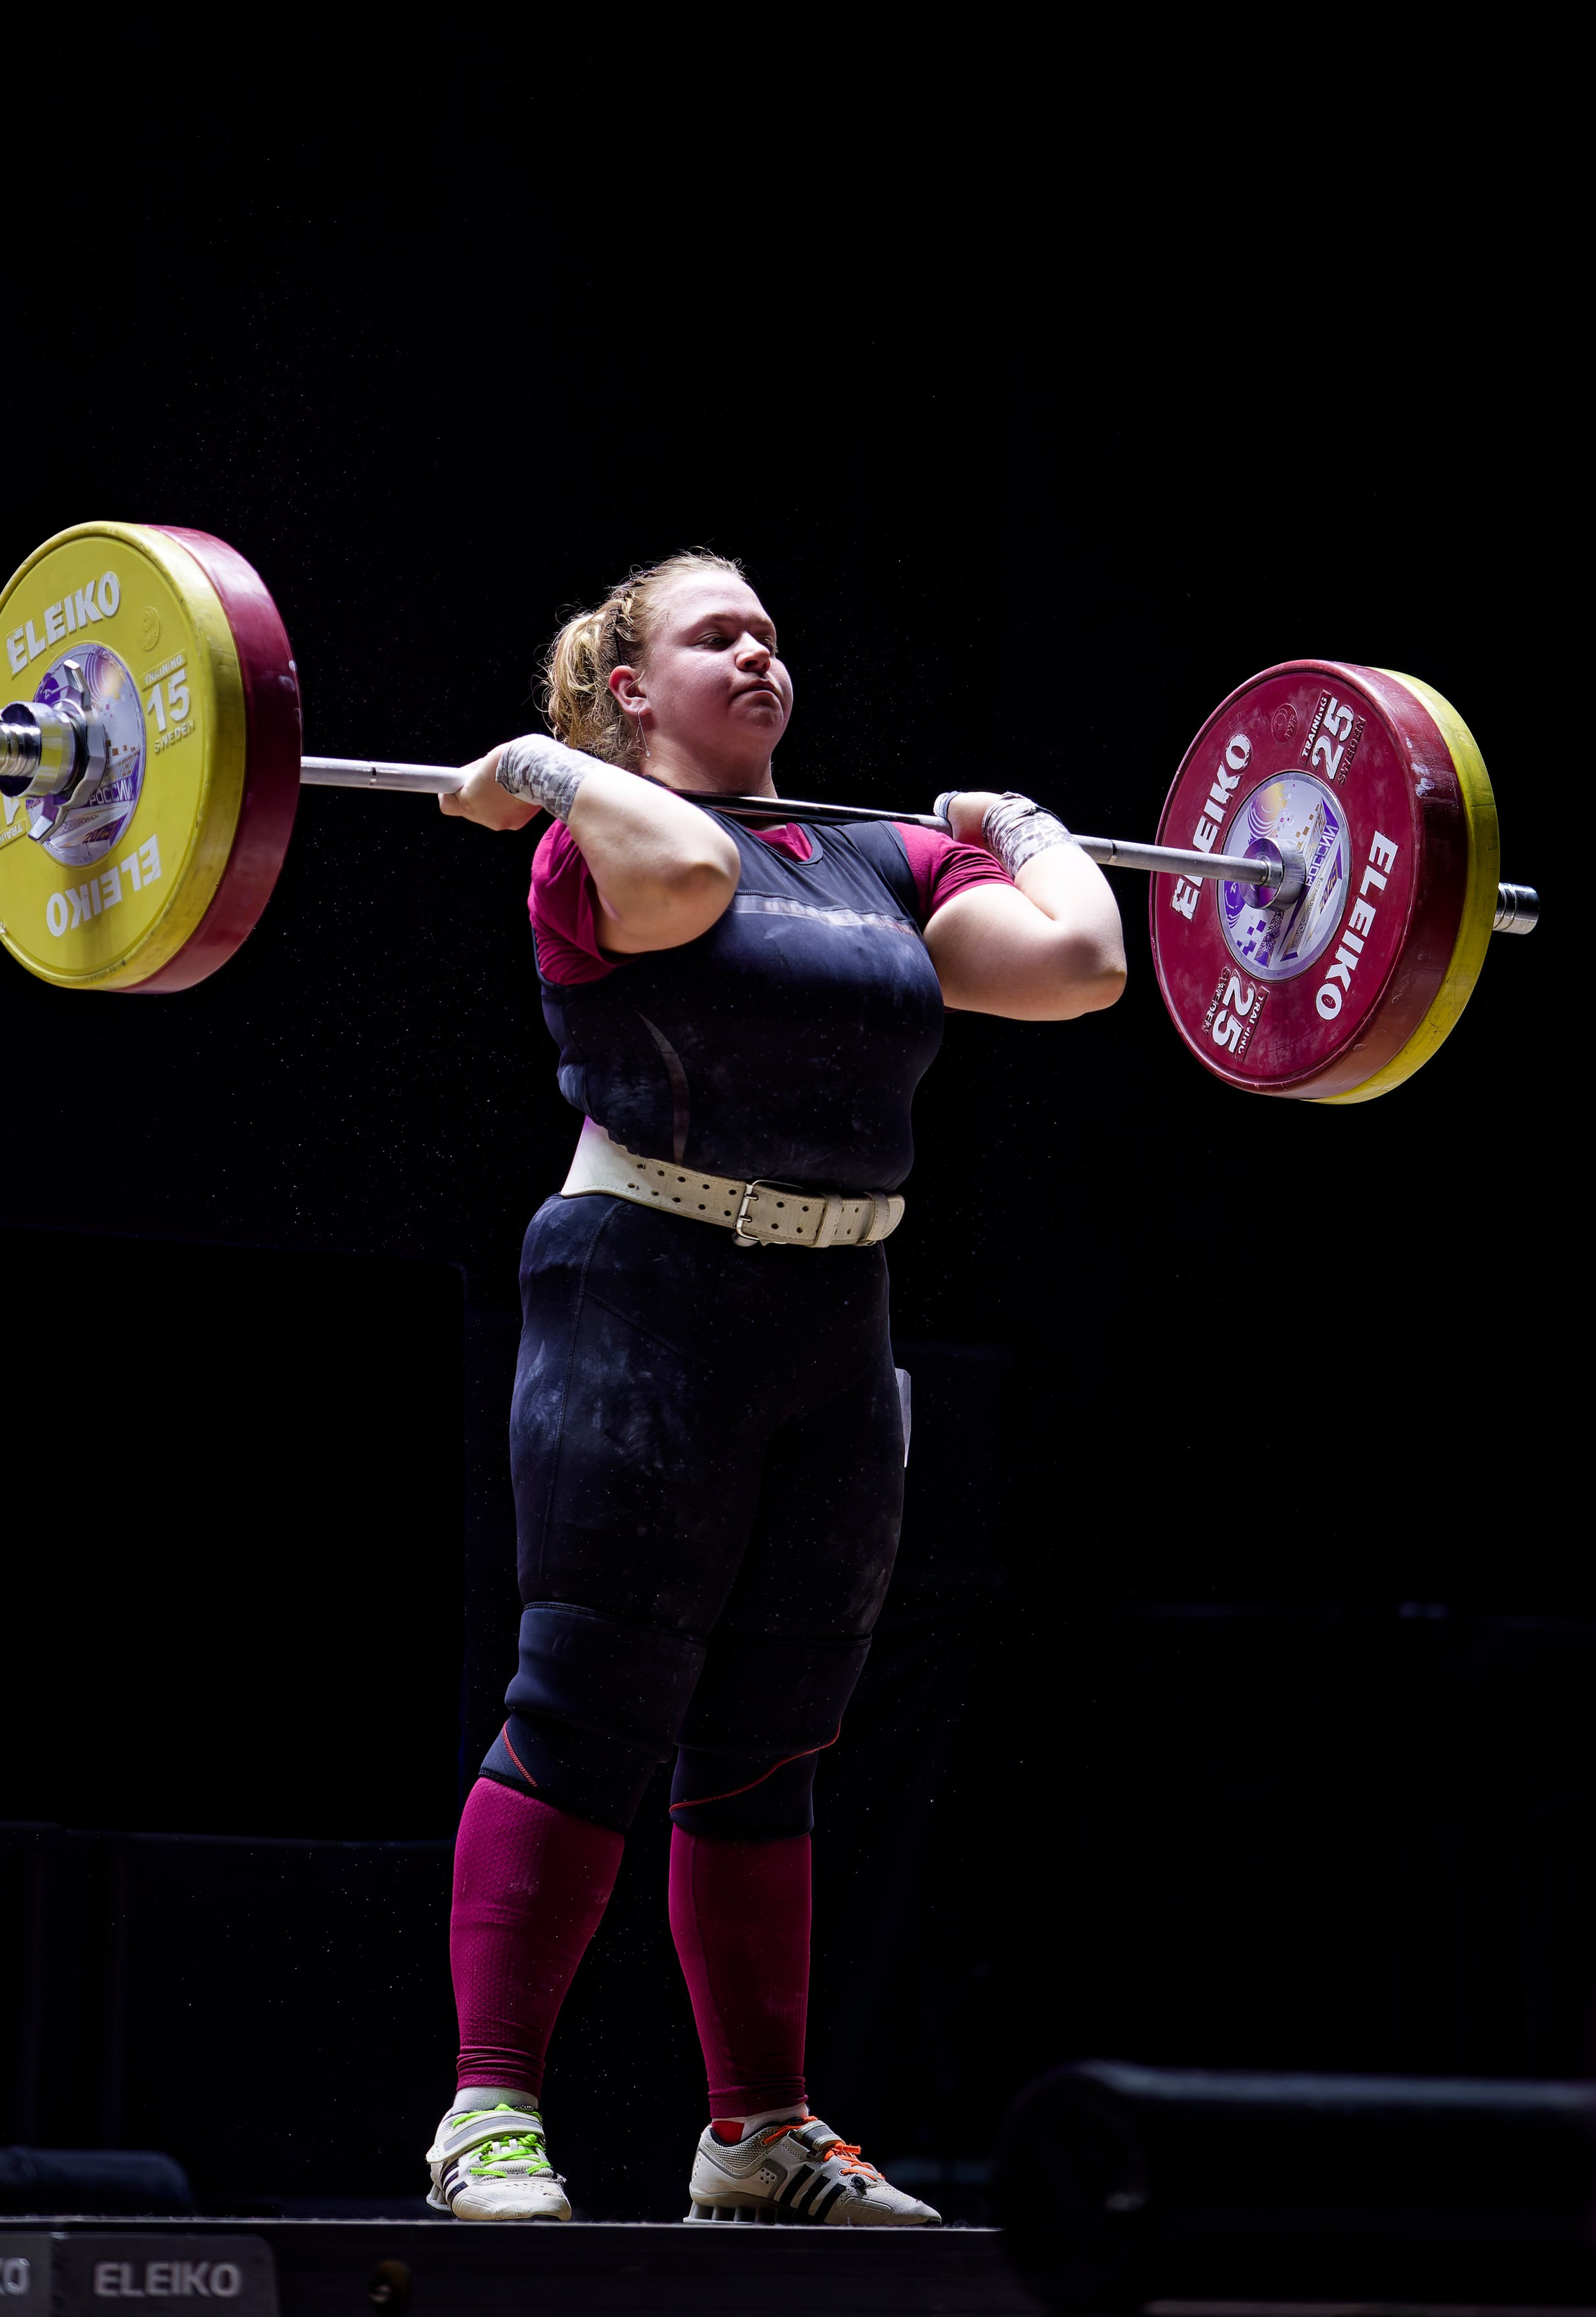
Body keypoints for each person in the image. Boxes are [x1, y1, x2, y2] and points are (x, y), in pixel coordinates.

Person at [428, 552, 1126, 2228]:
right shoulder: (594, 852)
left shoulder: (878, 859)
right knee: (587, 1702)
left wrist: (1021, 826)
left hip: (831, 1316)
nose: (759, 653)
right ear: (623, 691)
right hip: (639, 1291)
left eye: (769, 633)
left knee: (771, 1743)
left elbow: (1079, 968)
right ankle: (487, 2119)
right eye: (713, 636)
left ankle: (757, 2137)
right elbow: (676, 862)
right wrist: (541, 774)